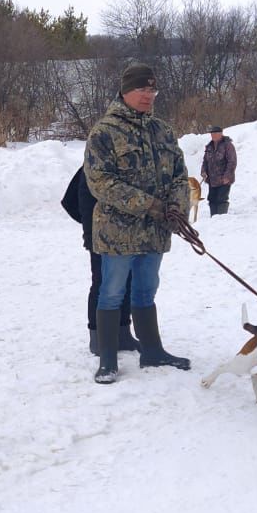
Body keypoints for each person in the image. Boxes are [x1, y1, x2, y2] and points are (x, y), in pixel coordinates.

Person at [83, 62, 192, 384]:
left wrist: (176, 206)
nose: (148, 96)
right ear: (126, 91)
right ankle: (107, 360)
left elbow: (179, 175)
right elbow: (100, 181)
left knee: (146, 291)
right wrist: (151, 205)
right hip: (118, 231)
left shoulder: (163, 130)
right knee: (112, 292)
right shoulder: (104, 132)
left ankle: (153, 351)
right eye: (142, 90)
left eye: (152, 90)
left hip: (155, 230)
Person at [60, 167, 141, 356]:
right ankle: (97, 338)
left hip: (125, 236)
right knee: (102, 284)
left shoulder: (123, 163)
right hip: (99, 237)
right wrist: (90, 232)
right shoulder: (92, 165)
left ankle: (123, 333)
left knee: (126, 281)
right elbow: (78, 203)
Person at [200, 125, 237, 215]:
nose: (213, 135)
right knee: (212, 199)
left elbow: (232, 161)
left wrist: (227, 176)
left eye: (215, 133)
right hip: (212, 179)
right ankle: (213, 219)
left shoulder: (228, 145)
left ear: (221, 133)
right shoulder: (209, 146)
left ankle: (221, 220)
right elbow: (205, 161)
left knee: (221, 199)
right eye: (212, 134)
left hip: (224, 179)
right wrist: (203, 171)